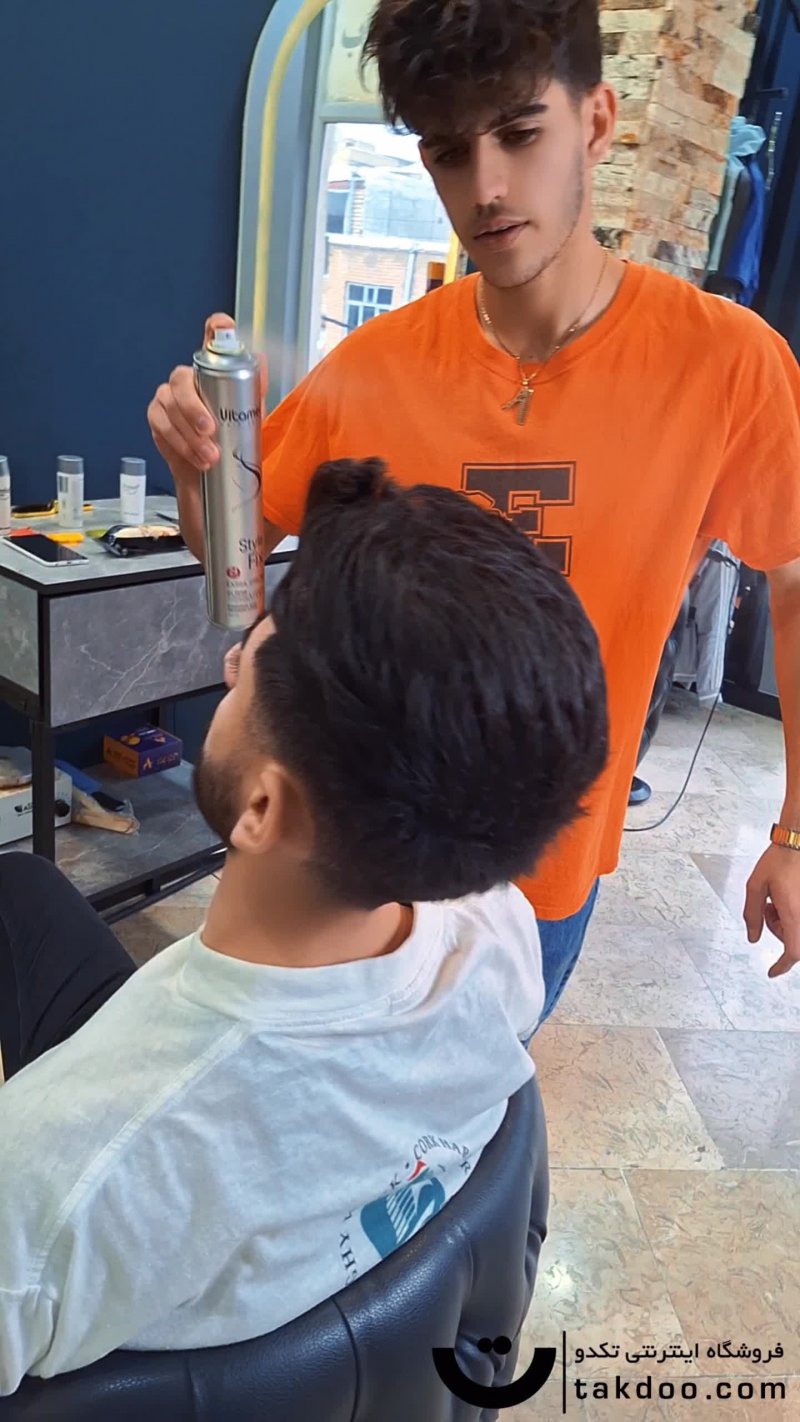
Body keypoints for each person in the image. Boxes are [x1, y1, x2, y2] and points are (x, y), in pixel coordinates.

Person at [149, 0, 800, 1015]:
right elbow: (229, 560)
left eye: (519, 133)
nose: (486, 186)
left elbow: (793, 587)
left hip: (542, 870)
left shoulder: (727, 365)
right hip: (356, 865)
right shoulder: (372, 365)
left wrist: (792, 831)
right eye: (449, 151)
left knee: (478, 1095)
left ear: (595, 120)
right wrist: (200, 475)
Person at [0, 460, 607, 1394]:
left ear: (261, 808)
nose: (230, 662)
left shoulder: (60, 1186)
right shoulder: (500, 932)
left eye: (252, 662)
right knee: (24, 893)